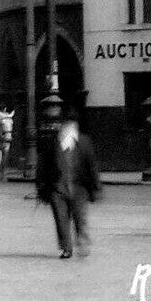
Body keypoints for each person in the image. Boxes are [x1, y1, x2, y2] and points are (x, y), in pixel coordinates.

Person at [36, 106, 102, 259]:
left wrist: (96, 186)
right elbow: (42, 167)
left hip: (79, 188)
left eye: (72, 125)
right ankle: (66, 248)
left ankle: (81, 240)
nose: (69, 128)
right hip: (57, 188)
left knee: (79, 217)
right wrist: (41, 187)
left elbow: (92, 165)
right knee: (61, 219)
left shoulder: (84, 142)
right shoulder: (51, 143)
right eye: (66, 125)